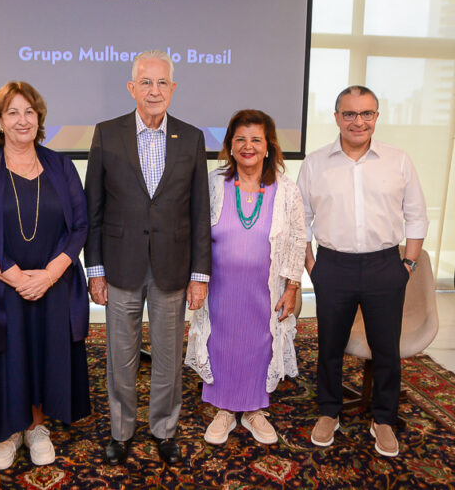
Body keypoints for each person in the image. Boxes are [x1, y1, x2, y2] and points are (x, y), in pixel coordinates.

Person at [0, 81, 90, 471]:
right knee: (7, 357)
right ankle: (7, 432)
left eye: (29, 111)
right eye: (12, 112)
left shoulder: (61, 167)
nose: (22, 119)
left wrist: (48, 275)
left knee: (46, 353)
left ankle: (36, 427)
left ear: (39, 117)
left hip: (54, 285)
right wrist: (17, 277)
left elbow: (79, 226)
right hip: (1, 286)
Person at [84, 50, 211, 465]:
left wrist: (199, 274)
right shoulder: (107, 133)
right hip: (120, 268)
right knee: (120, 357)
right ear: (131, 87)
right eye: (146, 82)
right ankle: (121, 432)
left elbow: (199, 212)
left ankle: (164, 430)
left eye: (162, 83)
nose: (154, 91)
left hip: (173, 270)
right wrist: (95, 269)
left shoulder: (192, 138)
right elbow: (94, 208)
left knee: (168, 359)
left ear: (172, 89)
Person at [297, 85, 428, 458]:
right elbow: (300, 220)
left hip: (385, 265)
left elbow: (416, 215)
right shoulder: (315, 162)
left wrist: (408, 264)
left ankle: (383, 419)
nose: (359, 121)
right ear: (336, 117)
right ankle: (329, 411)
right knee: (330, 347)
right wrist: (312, 266)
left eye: (366, 113)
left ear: (376, 117)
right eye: (350, 114)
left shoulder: (398, 160)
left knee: (386, 348)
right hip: (333, 267)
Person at [189, 110, 305, 446]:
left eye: (256, 139)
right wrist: (194, 278)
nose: (248, 145)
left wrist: (292, 287)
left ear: (268, 146)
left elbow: (299, 238)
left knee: (259, 344)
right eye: (240, 139)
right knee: (221, 342)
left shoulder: (286, 190)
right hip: (220, 288)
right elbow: (196, 235)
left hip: (266, 289)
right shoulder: (214, 184)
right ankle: (224, 408)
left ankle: (254, 409)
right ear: (229, 145)